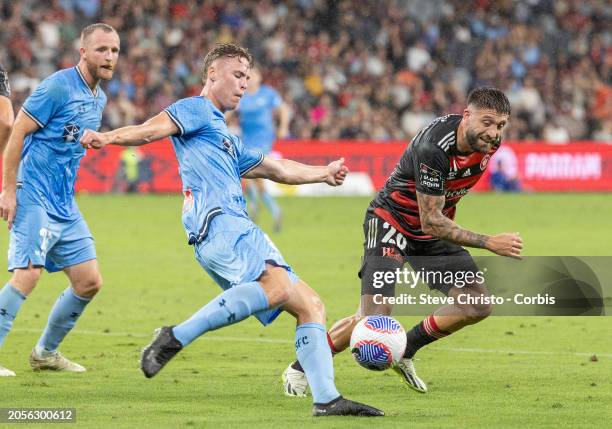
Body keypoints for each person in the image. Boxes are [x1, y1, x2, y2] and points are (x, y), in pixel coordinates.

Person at [80, 43, 383, 417]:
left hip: (227, 227)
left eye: (247, 77)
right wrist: (107, 138)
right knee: (276, 286)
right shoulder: (195, 109)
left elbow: (277, 169)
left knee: (311, 306)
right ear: (212, 75)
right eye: (237, 75)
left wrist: (323, 172)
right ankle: (175, 336)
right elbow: (148, 131)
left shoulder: (224, 137)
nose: (244, 85)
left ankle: (327, 399)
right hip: (221, 222)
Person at [283, 87, 523, 396]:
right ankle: (300, 369)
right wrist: (489, 241)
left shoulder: (489, 144)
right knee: (372, 321)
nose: (493, 132)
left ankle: (405, 349)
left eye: (500, 125)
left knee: (477, 303)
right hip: (391, 222)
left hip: (431, 231)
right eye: (487, 122)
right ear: (467, 115)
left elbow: (436, 217)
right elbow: (431, 220)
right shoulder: (434, 148)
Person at [0, 24, 120, 377]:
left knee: (89, 281)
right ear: (83, 52)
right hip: (32, 192)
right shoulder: (56, 87)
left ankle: (45, 353)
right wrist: (8, 190)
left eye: (114, 50)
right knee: (28, 274)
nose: (109, 57)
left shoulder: (100, 99)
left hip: (63, 202)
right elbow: (17, 132)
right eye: (101, 50)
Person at [236, 66, 290, 232]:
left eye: (252, 75)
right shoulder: (241, 94)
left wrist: (283, 126)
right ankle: (271, 209)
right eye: (247, 76)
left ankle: (255, 207)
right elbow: (228, 112)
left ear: (259, 77)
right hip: (246, 140)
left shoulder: (268, 93)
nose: (249, 79)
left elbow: (284, 109)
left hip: (263, 140)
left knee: (251, 172)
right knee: (247, 175)